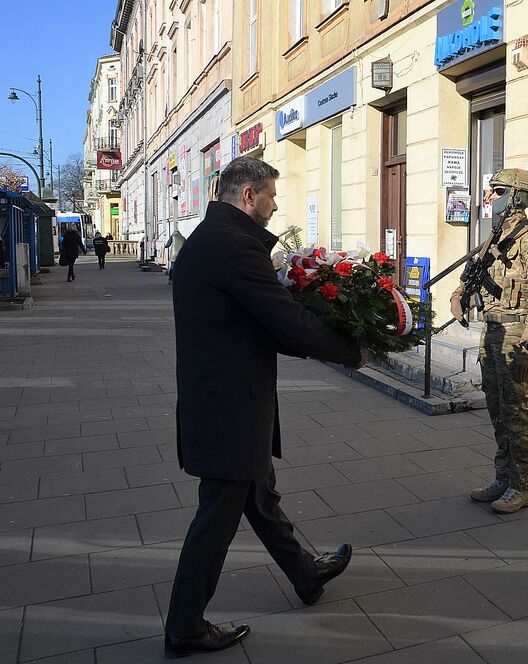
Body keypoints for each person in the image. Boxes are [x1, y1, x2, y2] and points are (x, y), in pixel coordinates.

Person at [165, 156, 366, 658]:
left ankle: (305, 573)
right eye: (272, 196)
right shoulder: (233, 247)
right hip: (228, 408)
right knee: (217, 519)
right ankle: (185, 626)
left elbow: (251, 322)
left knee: (258, 496)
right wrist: (350, 350)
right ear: (248, 195)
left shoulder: (210, 240)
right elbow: (282, 319)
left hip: (222, 399)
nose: (276, 206)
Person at [451, 168, 528, 514]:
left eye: (497, 191)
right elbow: (473, 273)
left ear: (516, 196)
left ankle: (524, 486)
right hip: (492, 331)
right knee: (496, 408)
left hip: (514, 335)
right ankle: (504, 477)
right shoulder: (495, 237)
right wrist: (458, 295)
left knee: (516, 411)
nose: (489, 197)